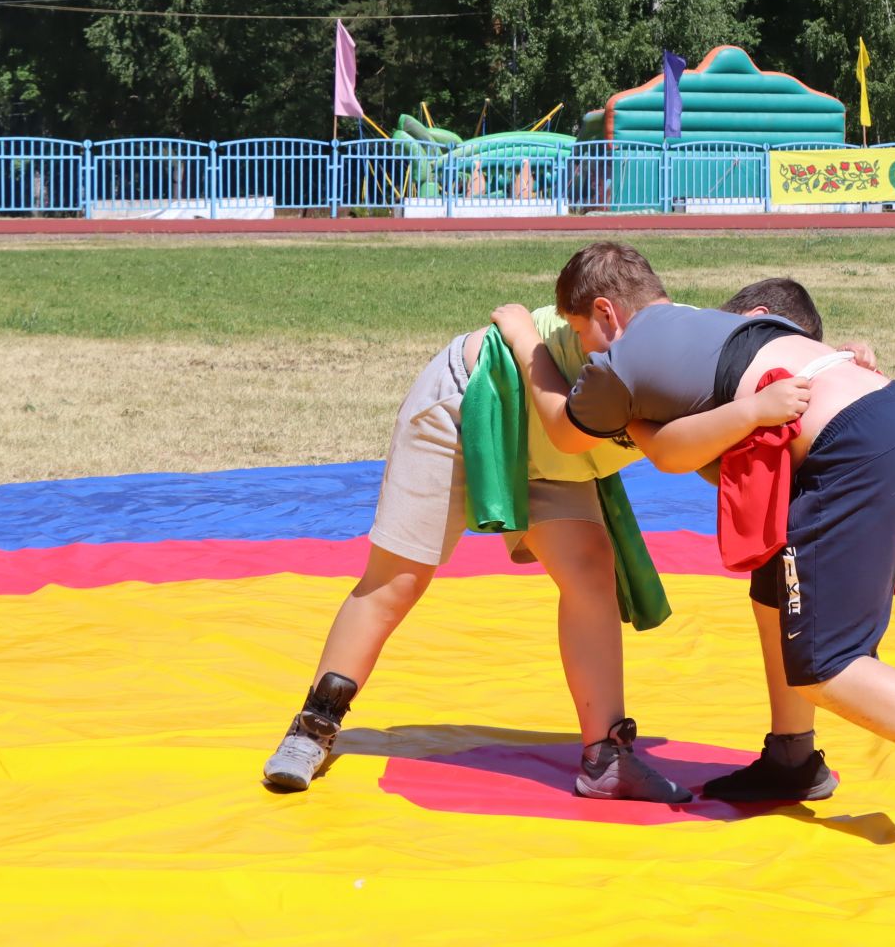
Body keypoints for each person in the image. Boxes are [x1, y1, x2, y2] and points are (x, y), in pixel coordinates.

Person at [499, 242, 895, 859]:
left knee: (825, 662)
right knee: (774, 595)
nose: (582, 350)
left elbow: (564, 430)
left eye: (577, 332)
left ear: (606, 312)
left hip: (854, 456)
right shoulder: (718, 323)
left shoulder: (622, 360)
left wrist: (527, 341)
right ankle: (793, 758)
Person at [261, 279, 842, 799]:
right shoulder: (677, 354)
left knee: (592, 570)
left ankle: (605, 758)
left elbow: (722, 459)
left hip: (554, 452)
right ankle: (313, 726)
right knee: (399, 579)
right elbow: (570, 427)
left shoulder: (733, 381)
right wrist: (524, 338)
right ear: (756, 320)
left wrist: (842, 375)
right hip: (474, 404)